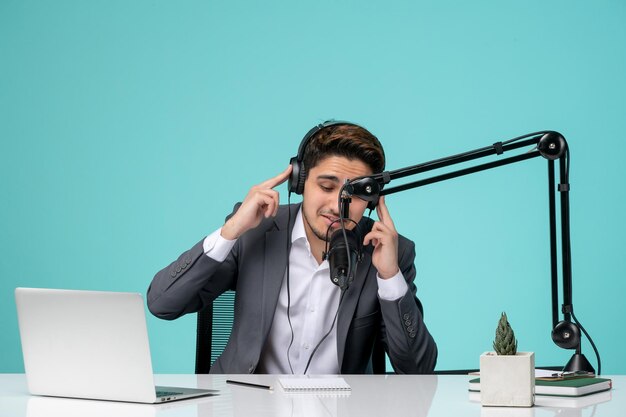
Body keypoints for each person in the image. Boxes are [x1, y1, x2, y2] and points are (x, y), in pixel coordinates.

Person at [147, 121, 437, 374]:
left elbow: (417, 370)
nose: (338, 206)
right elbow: (162, 304)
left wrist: (389, 276)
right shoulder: (254, 233)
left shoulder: (388, 253)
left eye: (355, 194)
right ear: (300, 183)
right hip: (243, 407)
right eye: (326, 187)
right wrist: (231, 231)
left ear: (372, 200)